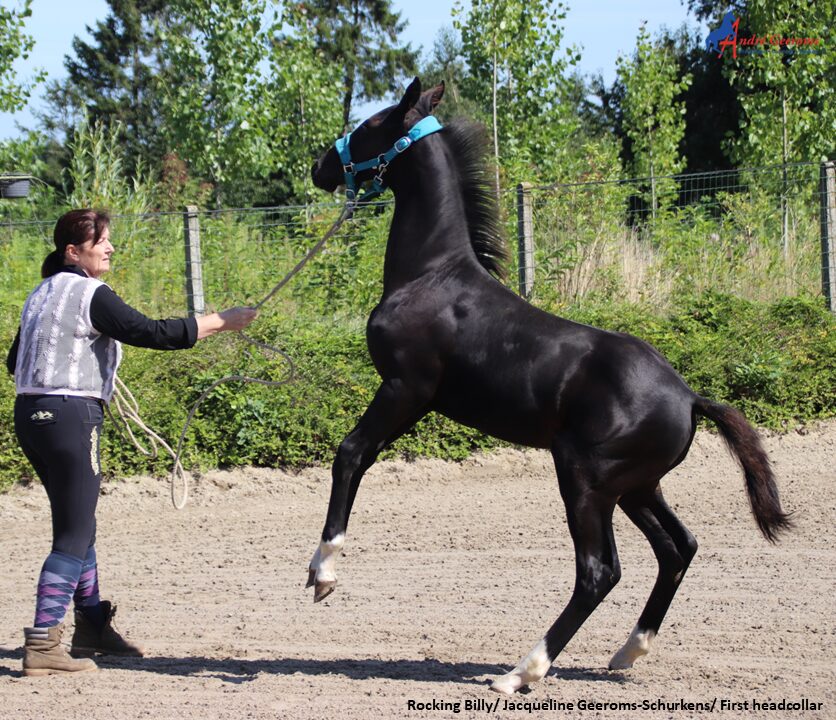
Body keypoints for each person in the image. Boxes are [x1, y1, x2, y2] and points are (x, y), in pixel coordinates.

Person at [6, 209, 258, 676]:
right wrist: (220, 321)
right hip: (71, 418)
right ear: (73, 251)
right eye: (102, 240)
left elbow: (13, 362)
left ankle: (92, 626)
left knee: (78, 523)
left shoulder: (39, 293)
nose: (110, 247)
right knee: (73, 533)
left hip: (31, 417)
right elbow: (150, 332)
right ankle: (43, 644)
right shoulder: (90, 293)